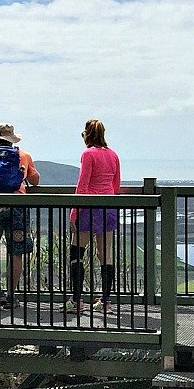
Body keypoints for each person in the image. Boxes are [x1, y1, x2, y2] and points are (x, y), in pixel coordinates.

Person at [0, 123, 40, 307]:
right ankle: (12, 295)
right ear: (12, 138)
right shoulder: (23, 155)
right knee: (16, 251)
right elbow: (35, 181)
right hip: (16, 206)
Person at [65, 119, 121, 315]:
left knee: (76, 253)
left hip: (89, 207)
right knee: (105, 254)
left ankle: (77, 299)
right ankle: (106, 302)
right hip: (109, 207)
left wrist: (74, 212)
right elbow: (116, 185)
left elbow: (82, 185)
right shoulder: (113, 154)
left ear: (86, 135)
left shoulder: (88, 154)